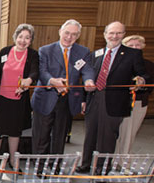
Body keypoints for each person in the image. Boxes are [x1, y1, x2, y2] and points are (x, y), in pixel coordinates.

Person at [79, 21, 148, 173]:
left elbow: (143, 74)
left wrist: (140, 80)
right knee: (90, 133)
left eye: (118, 33)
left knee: (107, 137)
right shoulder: (95, 54)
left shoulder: (132, 54)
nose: (114, 36)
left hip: (115, 101)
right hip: (94, 98)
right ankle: (86, 164)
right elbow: (88, 75)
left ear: (123, 35)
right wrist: (84, 99)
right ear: (105, 35)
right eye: (111, 33)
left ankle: (102, 169)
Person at [31, 19, 95, 155]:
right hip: (45, 98)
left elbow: (87, 69)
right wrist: (53, 81)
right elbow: (42, 72)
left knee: (60, 137)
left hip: (67, 101)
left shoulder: (83, 52)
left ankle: (55, 166)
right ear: (60, 32)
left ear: (78, 36)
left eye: (74, 34)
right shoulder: (45, 50)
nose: (69, 37)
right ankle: (39, 167)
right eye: (67, 33)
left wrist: (89, 80)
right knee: (41, 137)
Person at [0, 24, 39, 167]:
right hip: (1, 99)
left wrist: (28, 80)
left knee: (14, 132)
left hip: (18, 100)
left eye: (27, 38)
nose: (23, 40)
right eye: (21, 36)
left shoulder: (33, 55)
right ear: (15, 37)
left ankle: (12, 160)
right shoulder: (5, 51)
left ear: (31, 40)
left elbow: (35, 72)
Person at [114, 35, 153, 154]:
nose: (135, 48)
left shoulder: (149, 65)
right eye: (131, 45)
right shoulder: (117, 63)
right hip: (117, 102)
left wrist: (140, 83)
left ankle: (122, 163)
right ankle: (110, 160)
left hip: (137, 103)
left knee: (128, 135)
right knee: (113, 133)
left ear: (143, 47)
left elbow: (150, 84)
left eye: (138, 45)